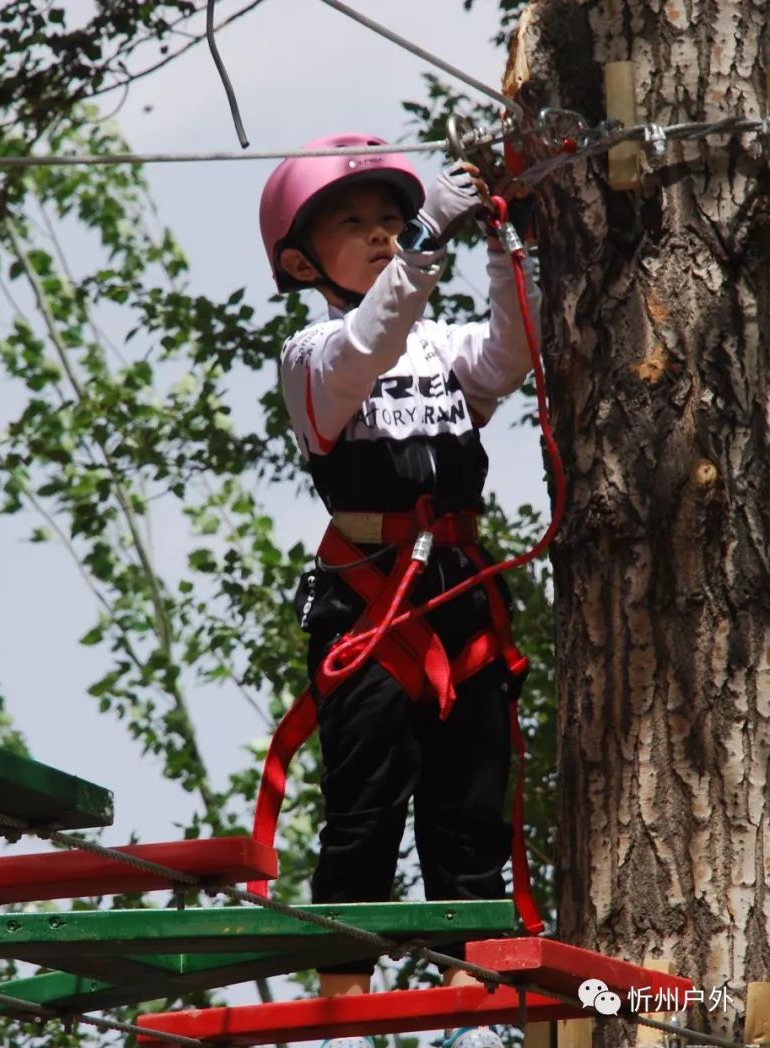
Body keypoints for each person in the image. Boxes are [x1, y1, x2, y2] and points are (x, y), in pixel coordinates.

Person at [258, 133, 540, 1048]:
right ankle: (344, 1014)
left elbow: (508, 355)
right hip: (369, 603)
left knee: (468, 816)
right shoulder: (311, 355)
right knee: (364, 814)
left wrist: (506, 244)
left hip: (458, 593)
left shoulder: (440, 346)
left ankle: (486, 1010)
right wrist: (425, 236)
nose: (382, 236)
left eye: (391, 219)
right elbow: (366, 344)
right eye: (356, 224)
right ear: (302, 263)